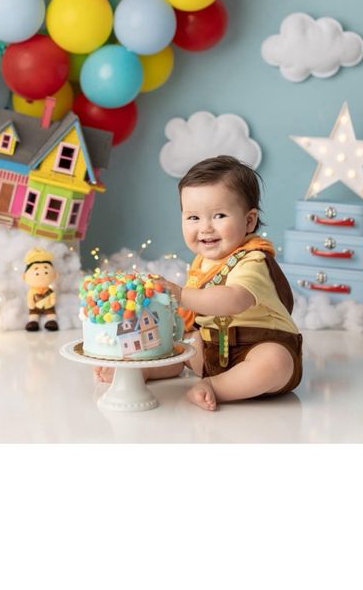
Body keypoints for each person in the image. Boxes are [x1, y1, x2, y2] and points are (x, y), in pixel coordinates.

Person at [94, 155, 302, 410]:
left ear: (249, 221)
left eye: (219, 216)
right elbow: (191, 316)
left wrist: (181, 294)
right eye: (193, 218)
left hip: (257, 345)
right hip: (213, 350)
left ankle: (216, 387)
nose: (205, 228)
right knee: (181, 344)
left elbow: (234, 299)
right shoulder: (201, 263)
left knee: (275, 362)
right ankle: (145, 371)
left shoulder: (252, 260)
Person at [23, 248, 59, 331]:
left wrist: (52, 301)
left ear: (55, 275)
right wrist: (31, 304)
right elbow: (30, 299)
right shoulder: (32, 291)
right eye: (37, 273)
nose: (41, 276)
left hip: (48, 306)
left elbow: (53, 297)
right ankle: (33, 322)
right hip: (35, 307)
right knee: (33, 313)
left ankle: (52, 321)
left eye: (46, 272)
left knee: (51, 312)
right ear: (24, 276)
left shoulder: (50, 290)